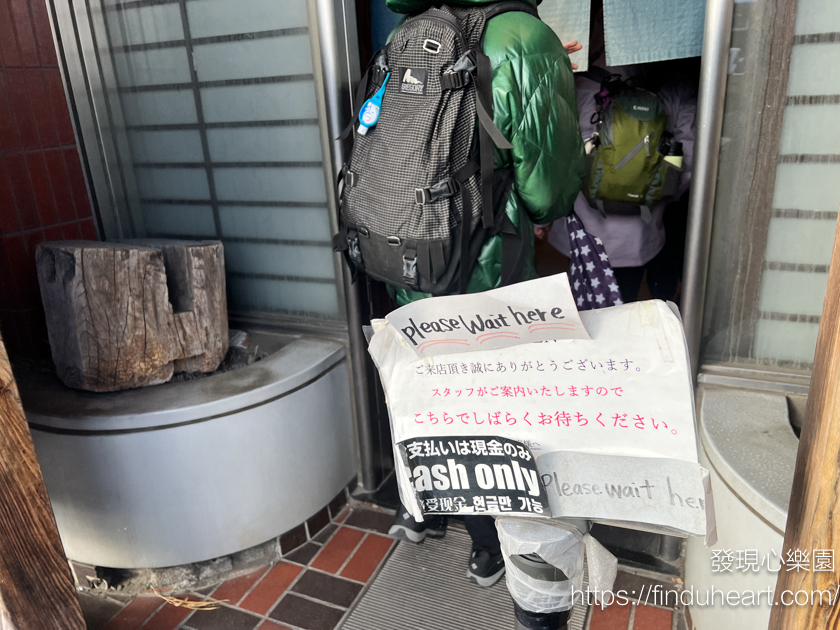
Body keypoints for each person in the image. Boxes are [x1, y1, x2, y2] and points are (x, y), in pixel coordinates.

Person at [378, 0, 585, 620]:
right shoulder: (524, 37)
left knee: (443, 406)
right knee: (508, 422)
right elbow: (547, 193)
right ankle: (519, 571)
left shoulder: (403, 36)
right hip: (491, 279)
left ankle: (457, 533)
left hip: (411, 263)